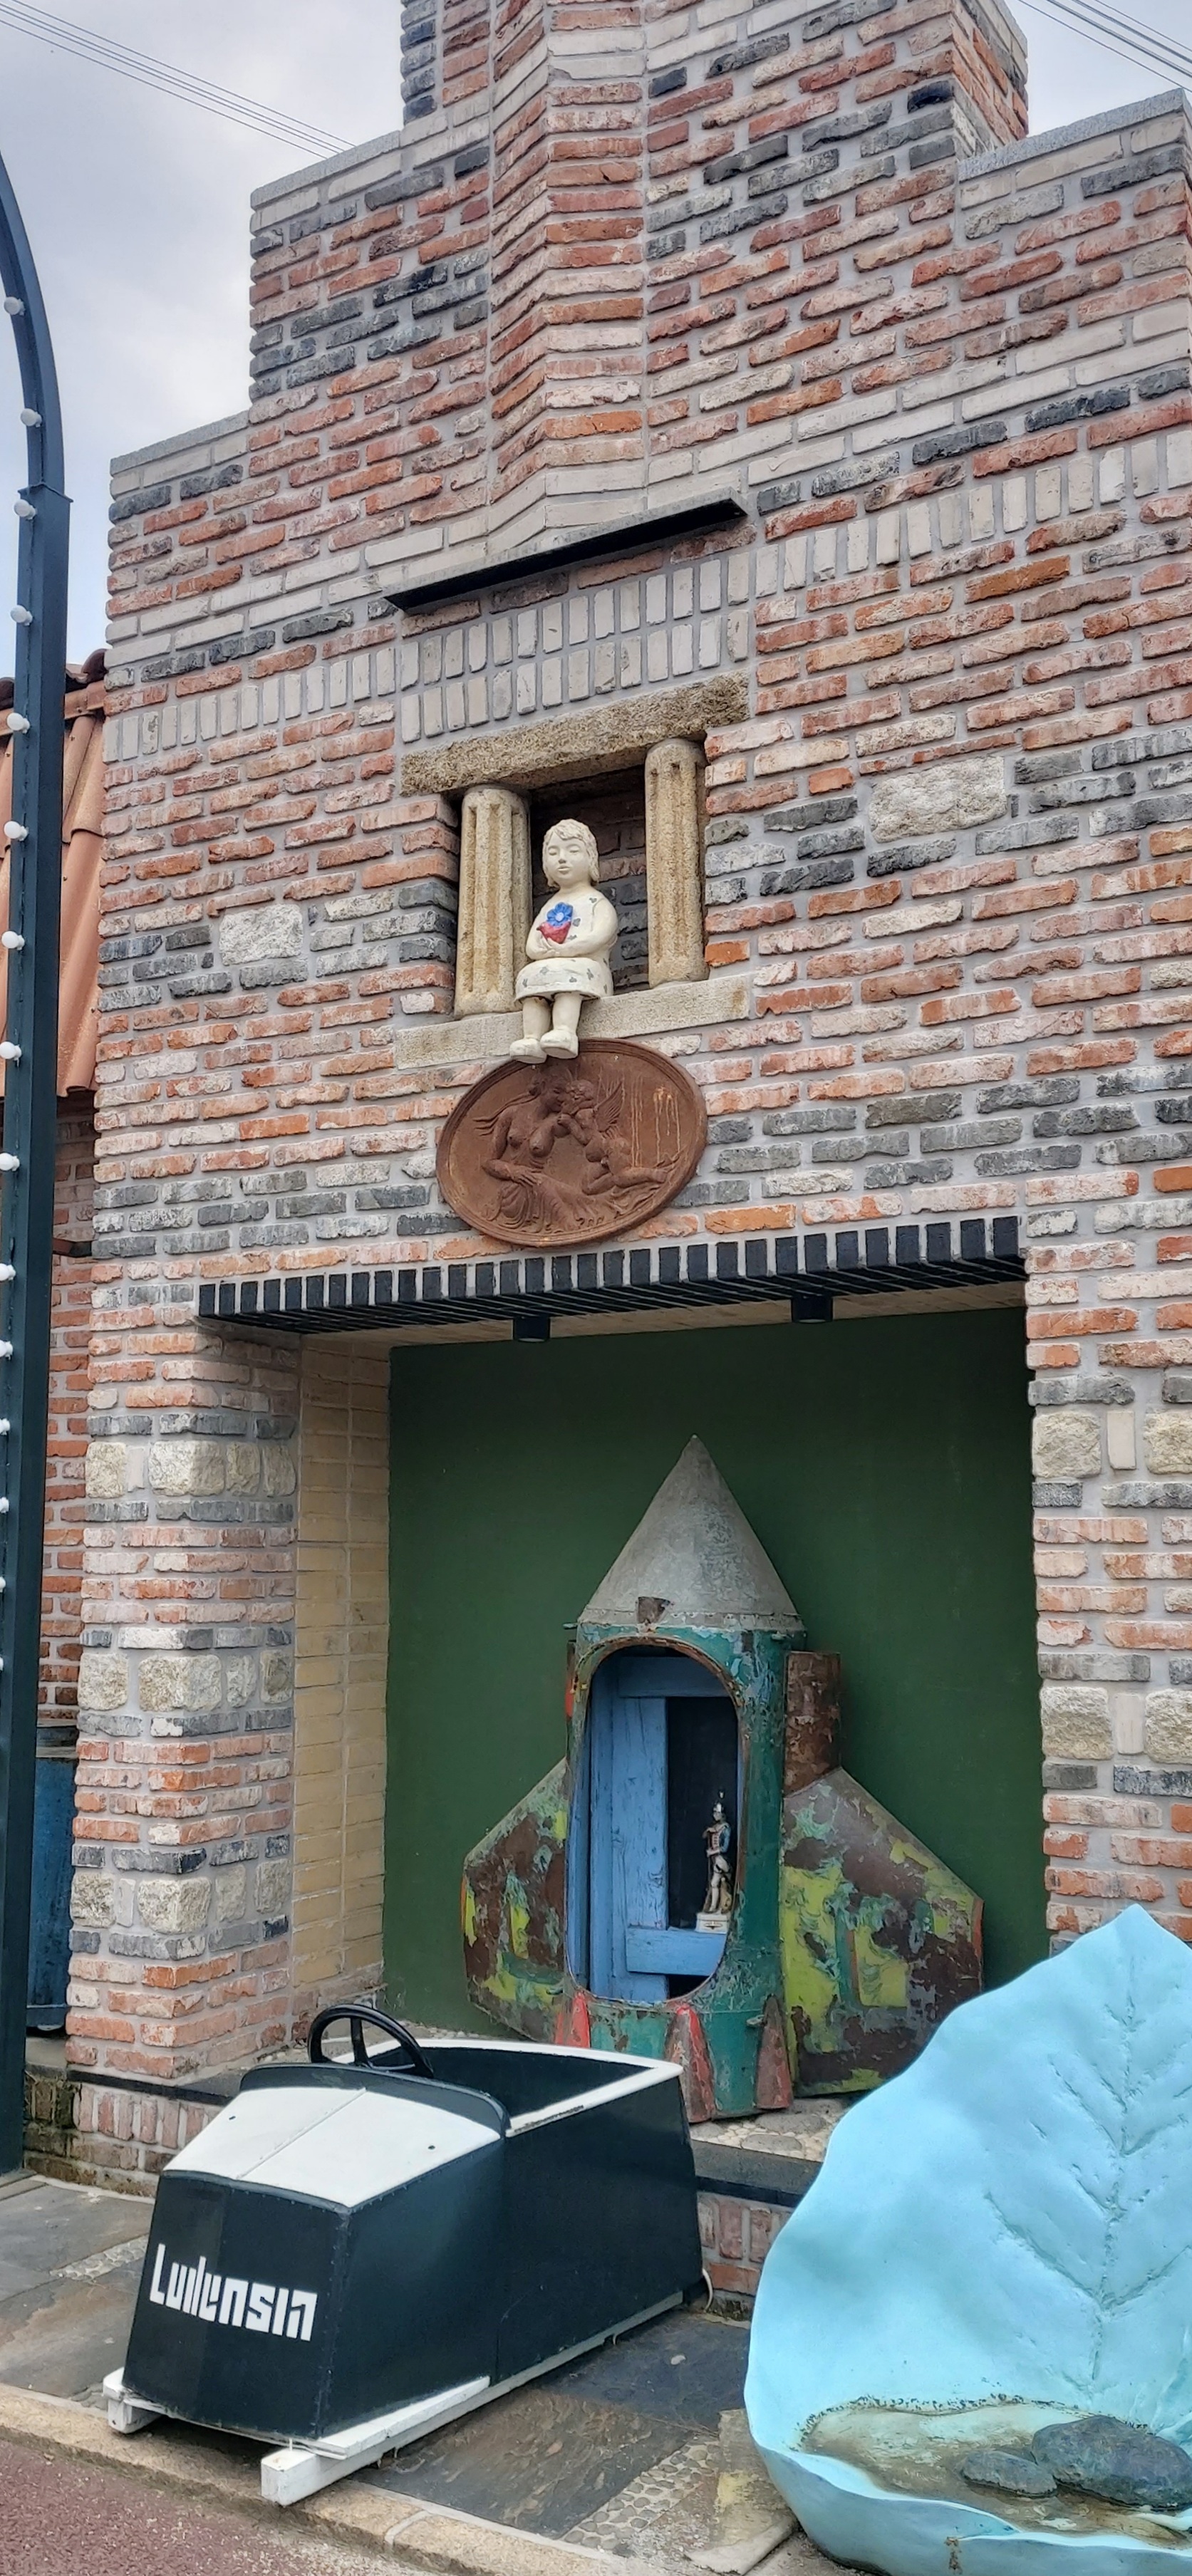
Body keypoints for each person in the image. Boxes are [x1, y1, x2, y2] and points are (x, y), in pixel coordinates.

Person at [509, 817, 619, 1063]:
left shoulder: (596, 902)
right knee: (531, 974)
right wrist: (542, 951)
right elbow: (532, 943)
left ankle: (564, 1032)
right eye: (553, 852)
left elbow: (602, 934)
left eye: (572, 851)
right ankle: (532, 1038)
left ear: (590, 858)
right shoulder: (551, 905)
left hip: (588, 967)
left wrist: (569, 949)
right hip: (552, 964)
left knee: (569, 974)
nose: (562, 858)